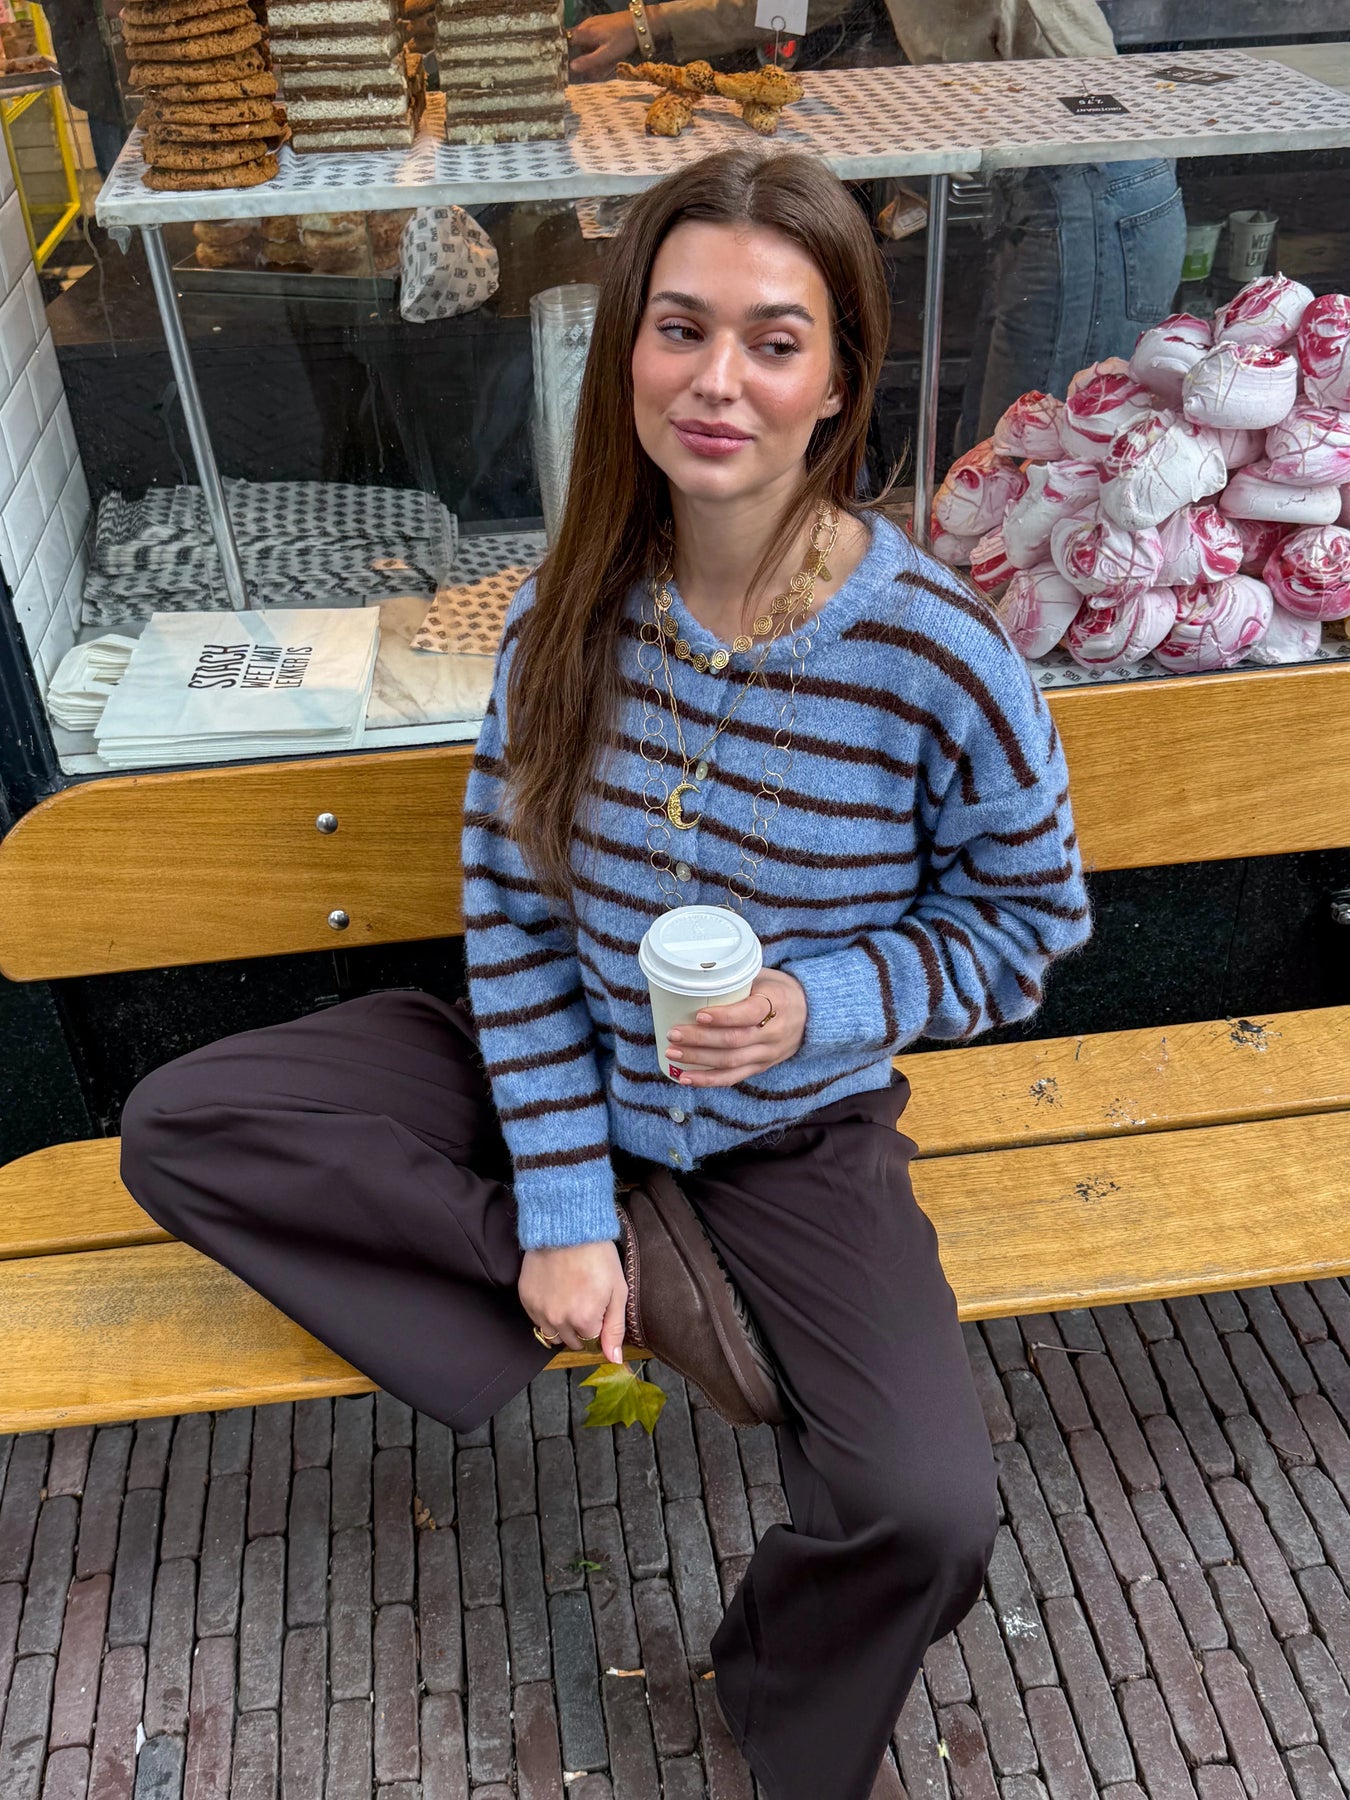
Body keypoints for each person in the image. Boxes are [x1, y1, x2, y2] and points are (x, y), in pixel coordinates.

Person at [119, 147, 1092, 1800]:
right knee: (187, 1124)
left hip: (786, 1130)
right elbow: (512, 925)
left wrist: (823, 1007)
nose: (717, 380)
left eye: (773, 342)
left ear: (837, 380)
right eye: (680, 328)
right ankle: (593, 1263)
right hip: (549, 1062)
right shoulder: (566, 614)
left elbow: (1027, 923)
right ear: (628, 349)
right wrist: (562, 1212)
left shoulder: (937, 652)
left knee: (928, 1514)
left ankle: (773, 1694)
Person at [569, 0, 1186, 448]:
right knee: (993, 454)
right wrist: (650, 24)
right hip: (1039, 185)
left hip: (1088, 181)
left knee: (1025, 464)